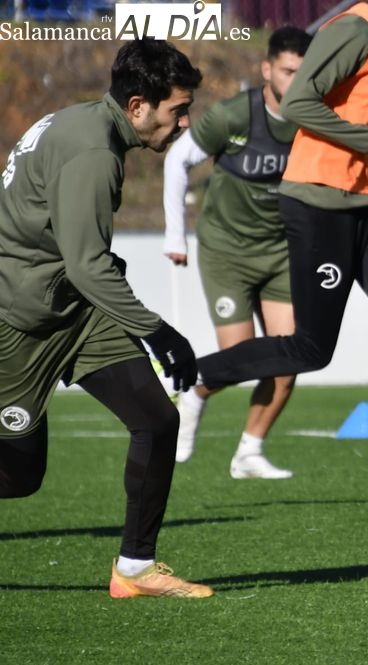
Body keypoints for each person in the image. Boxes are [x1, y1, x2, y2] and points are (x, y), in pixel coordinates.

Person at [194, 0, 368, 512]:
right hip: (318, 204)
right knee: (311, 350)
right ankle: (190, 374)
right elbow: (301, 101)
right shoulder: (354, 28)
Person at [0, 39, 212, 598]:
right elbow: (88, 264)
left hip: (74, 309)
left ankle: (135, 568)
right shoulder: (92, 150)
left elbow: (80, 267)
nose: (184, 123)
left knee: (156, 421)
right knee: (19, 479)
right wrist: (159, 331)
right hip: (19, 321)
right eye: (178, 111)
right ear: (138, 105)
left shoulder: (85, 123)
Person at [163, 26, 312, 479]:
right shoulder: (234, 116)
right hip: (227, 252)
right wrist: (175, 235)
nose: (296, 81)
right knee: (243, 354)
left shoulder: (317, 121)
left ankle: (249, 451)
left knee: (291, 358)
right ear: (267, 70)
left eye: (305, 74)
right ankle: (195, 393)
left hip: (282, 254)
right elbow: (177, 159)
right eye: (288, 71)